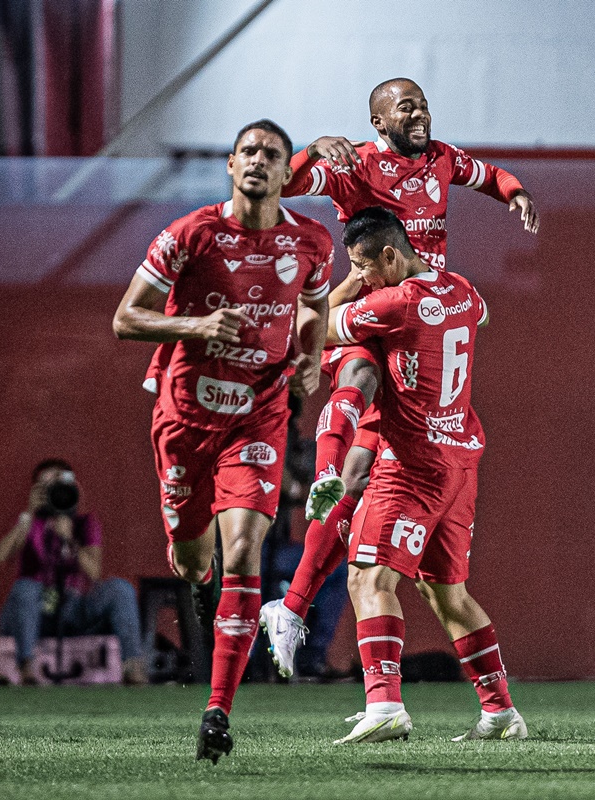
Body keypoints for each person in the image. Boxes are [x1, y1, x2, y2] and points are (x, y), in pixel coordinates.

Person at [259, 77, 540, 680]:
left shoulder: (440, 159)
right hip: (377, 304)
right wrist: (311, 148)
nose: (421, 113)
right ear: (379, 121)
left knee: (380, 463)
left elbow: (486, 175)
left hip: (426, 319)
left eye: (424, 103)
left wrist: (515, 194)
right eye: (405, 106)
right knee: (357, 376)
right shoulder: (352, 162)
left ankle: (293, 602)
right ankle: (325, 482)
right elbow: (286, 182)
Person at [111, 119, 333, 763]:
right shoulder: (191, 234)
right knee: (190, 561)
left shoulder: (311, 239)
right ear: (231, 167)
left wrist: (312, 357)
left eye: (272, 154)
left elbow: (314, 306)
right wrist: (197, 324)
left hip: (258, 418)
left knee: (245, 555)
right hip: (184, 416)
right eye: (249, 152)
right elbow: (126, 318)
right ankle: (203, 580)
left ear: (287, 170)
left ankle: (218, 711)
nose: (259, 161)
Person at [323, 206, 526, 744]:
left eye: (364, 266)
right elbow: (479, 316)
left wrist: (347, 288)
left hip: (412, 463)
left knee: (368, 576)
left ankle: (384, 704)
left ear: (391, 255)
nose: (362, 277)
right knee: (447, 593)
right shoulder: (459, 286)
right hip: (460, 456)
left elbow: (312, 325)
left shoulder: (395, 303)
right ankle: (500, 710)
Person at [0, 458, 147, 685]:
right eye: (45, 486)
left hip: (72, 606)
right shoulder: (29, 521)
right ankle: (26, 667)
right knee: (26, 587)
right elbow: (1, 556)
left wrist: (69, 538)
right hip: (34, 609)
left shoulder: (85, 522)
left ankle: (133, 666)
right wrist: (28, 514)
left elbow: (94, 573)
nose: (52, 492)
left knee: (119, 587)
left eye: (57, 484)